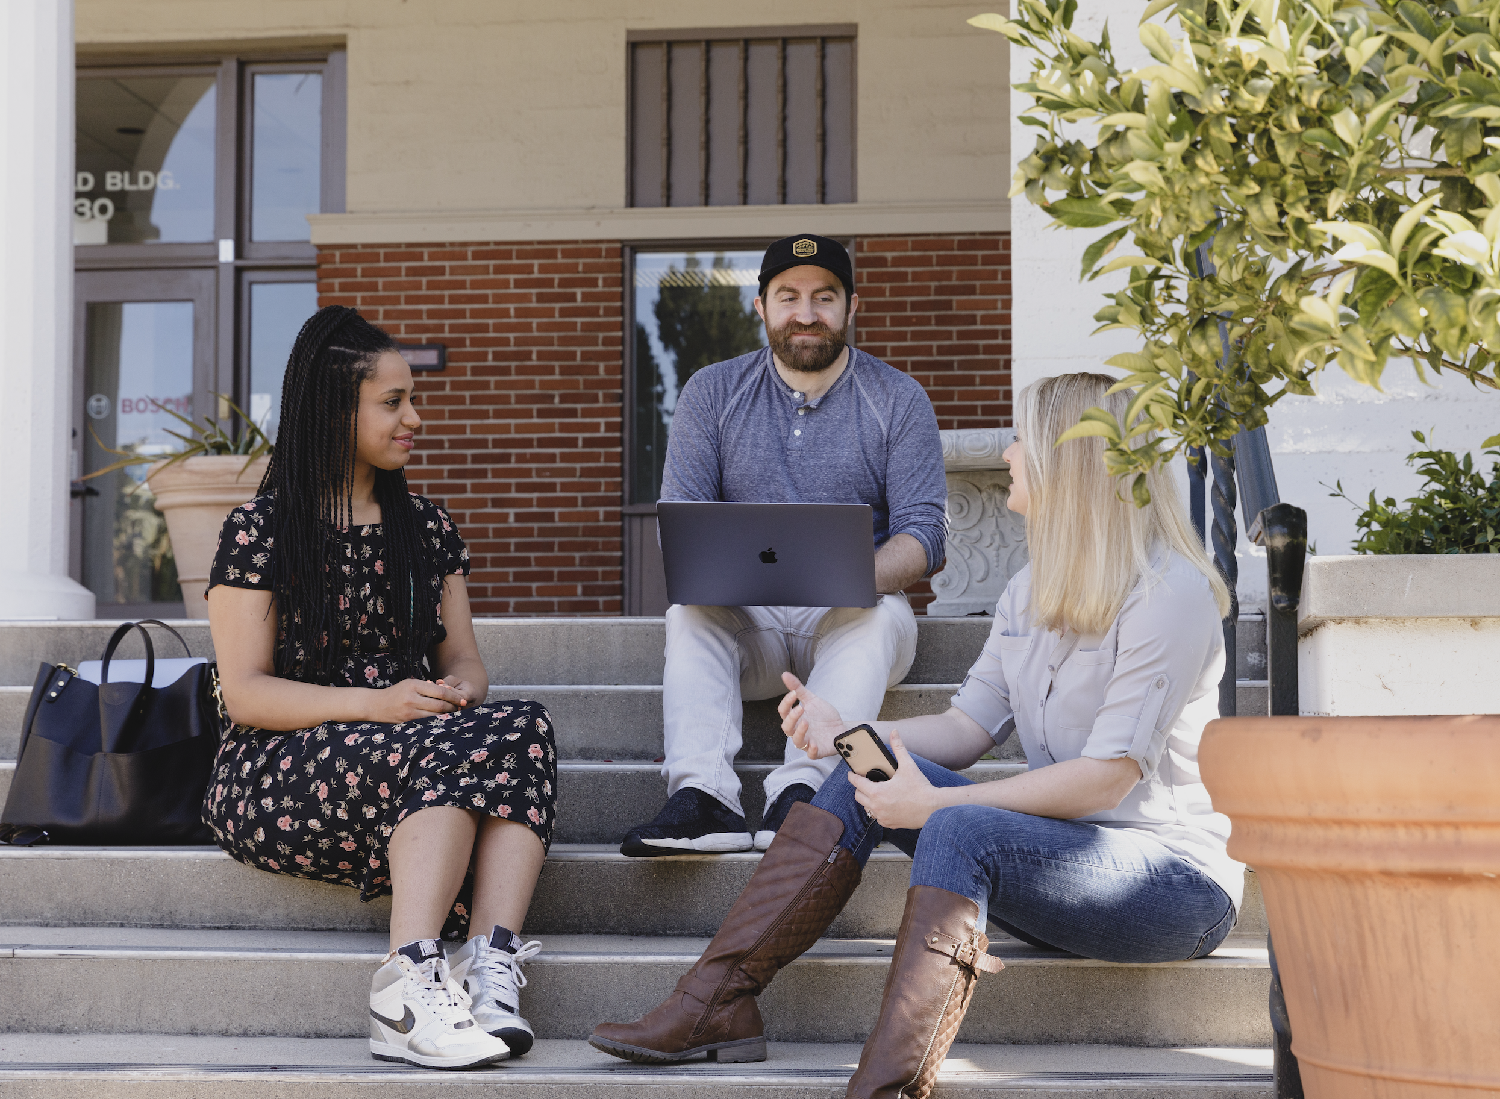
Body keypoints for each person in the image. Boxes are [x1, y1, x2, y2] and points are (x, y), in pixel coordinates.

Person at [591, 372, 1246, 1099]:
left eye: (1023, 439)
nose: (1007, 453)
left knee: (961, 828)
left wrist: (933, 807)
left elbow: (1105, 778)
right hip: (1053, 866)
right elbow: (966, 727)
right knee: (860, 768)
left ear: (1070, 461)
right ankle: (714, 1002)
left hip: (1172, 887)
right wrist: (849, 733)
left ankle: (889, 1086)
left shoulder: (1170, 594)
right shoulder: (1030, 589)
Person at [203, 306, 558, 1071]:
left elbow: (465, 660)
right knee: (432, 751)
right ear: (337, 412)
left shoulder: (426, 528)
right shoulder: (261, 530)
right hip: (280, 763)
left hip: (406, 734)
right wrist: (381, 703)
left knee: (522, 723)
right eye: (392, 402)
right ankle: (406, 982)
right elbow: (247, 694)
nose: (414, 418)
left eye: (412, 399)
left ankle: (486, 965)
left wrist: (453, 692)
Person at [622, 234, 948, 857]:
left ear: (852, 307)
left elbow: (924, 536)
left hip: (855, 617)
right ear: (762, 308)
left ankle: (802, 795)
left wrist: (851, 578)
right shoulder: (712, 393)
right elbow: (683, 520)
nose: (806, 313)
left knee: (873, 617)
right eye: (788, 296)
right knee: (689, 613)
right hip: (755, 628)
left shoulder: (898, 399)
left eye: (824, 297)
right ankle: (705, 799)